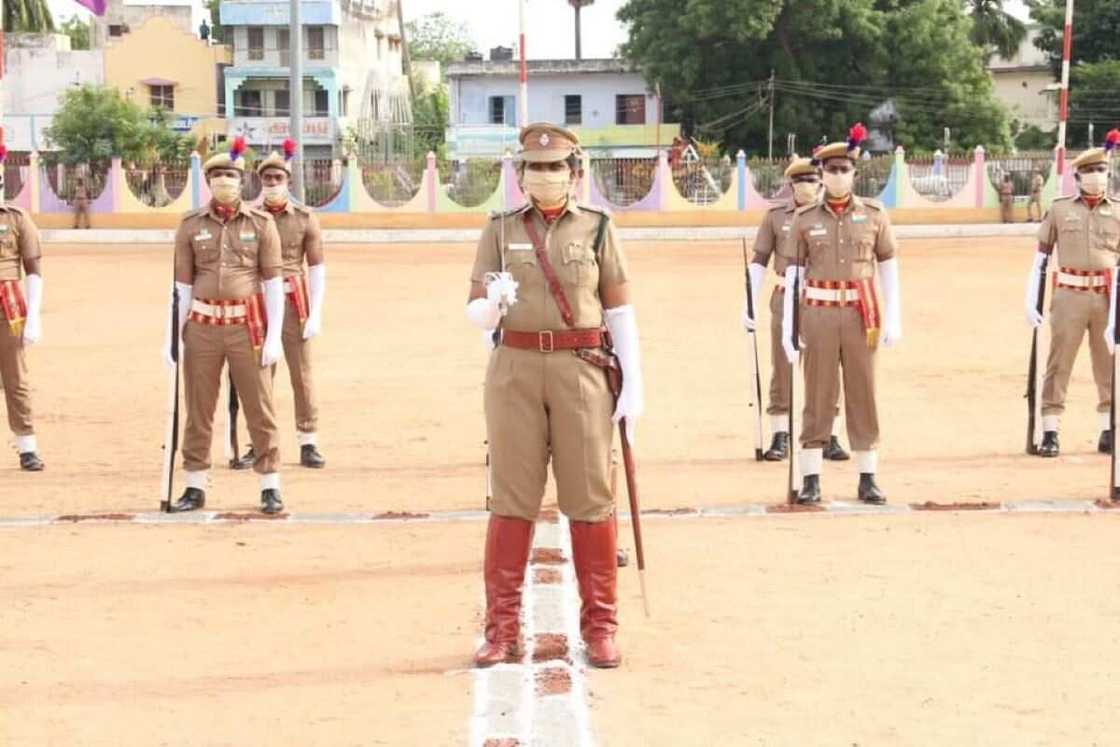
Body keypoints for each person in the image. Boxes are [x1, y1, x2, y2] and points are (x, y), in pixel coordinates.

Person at [466, 123, 643, 669]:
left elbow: (618, 309)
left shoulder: (596, 228)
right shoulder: (498, 230)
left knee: (590, 499)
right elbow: (474, 311)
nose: (545, 176)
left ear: (574, 172)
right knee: (511, 501)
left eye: (555, 167)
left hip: (581, 369)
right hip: (515, 369)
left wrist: (633, 382)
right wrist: (492, 304)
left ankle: (600, 627)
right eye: (535, 167)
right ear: (519, 175)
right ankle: (501, 629)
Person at [163, 137, 287, 513]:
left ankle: (270, 484)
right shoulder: (189, 225)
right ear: (208, 181)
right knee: (199, 407)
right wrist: (173, 338)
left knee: (259, 406)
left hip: (246, 325)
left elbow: (271, 284)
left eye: (230, 174)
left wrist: (275, 335)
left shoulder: (263, 224)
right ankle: (195, 484)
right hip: (201, 325)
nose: (224, 181)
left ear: (241, 179)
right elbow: (181, 287)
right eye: (216, 175)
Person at [783, 124, 902, 504]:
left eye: (843, 170)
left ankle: (868, 476)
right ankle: (812, 477)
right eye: (830, 170)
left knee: (862, 392)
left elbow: (888, 266)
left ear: (854, 172)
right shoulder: (804, 219)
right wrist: (790, 327)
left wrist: (894, 315)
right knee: (817, 394)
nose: (837, 176)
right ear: (821, 175)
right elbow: (794, 276)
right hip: (817, 314)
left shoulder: (874, 215)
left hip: (859, 314)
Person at [742, 157, 848, 462]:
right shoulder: (775, 217)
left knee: (826, 367)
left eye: (813, 181)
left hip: (822, 299)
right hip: (785, 296)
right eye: (800, 182)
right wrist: (749, 300)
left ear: (821, 183)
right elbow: (760, 260)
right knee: (783, 365)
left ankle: (830, 435)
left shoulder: (832, 217)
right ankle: (780, 434)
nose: (807, 187)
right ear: (791, 186)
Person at [233, 141, 327, 469]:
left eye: (277, 178)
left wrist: (315, 312)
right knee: (258, 376)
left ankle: (308, 440)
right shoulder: (250, 219)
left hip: (294, 302)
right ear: (259, 182)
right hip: (258, 303)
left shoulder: (304, 218)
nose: (272, 184)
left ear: (288, 180)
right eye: (267, 179)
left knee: (301, 374)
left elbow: (316, 267)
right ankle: (258, 442)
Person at [1026, 132, 1120, 457]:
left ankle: (1109, 428)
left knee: (1108, 364)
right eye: (1091, 172)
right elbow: (1041, 257)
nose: (1097, 177)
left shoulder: (1119, 212)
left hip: (1107, 297)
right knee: (1059, 363)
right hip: (1069, 294)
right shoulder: (1060, 209)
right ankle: (1050, 430)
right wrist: (1031, 297)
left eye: (1102, 171)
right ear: (1078, 176)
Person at [0, 146, 45, 471]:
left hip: (8, 308)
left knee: (15, 380)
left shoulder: (17, 219)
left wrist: (34, 320)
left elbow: (33, 270)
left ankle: (27, 447)